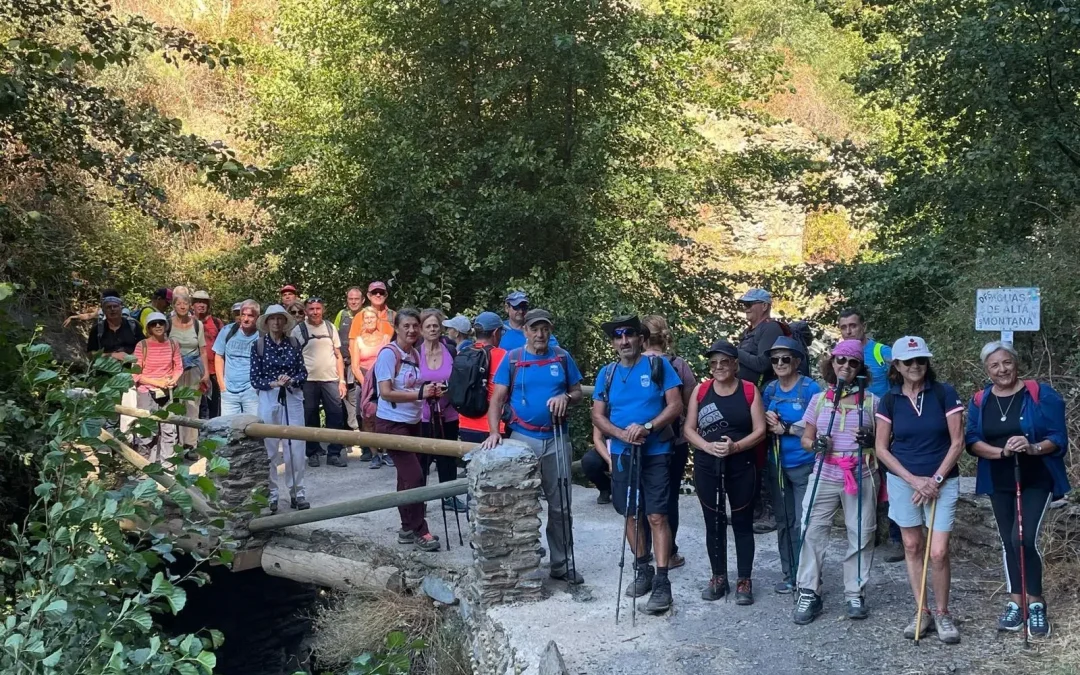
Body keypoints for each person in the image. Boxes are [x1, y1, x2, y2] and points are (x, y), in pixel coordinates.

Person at [965, 341, 1070, 638]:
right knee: (1007, 541)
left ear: (1016, 362)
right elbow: (971, 439)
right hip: (999, 479)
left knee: (1022, 539)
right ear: (987, 370)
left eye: (1006, 362)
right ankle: (1016, 602)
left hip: (1036, 478)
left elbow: (1057, 437)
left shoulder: (1040, 394)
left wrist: (1032, 446)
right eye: (995, 365)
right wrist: (1000, 453)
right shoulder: (980, 400)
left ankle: (1036, 604)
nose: (1002, 370)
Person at [483, 308, 585, 585]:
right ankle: (522, 565)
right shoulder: (513, 359)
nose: (540, 334)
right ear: (525, 331)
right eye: (535, 329)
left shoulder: (562, 357)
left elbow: (577, 392)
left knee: (561, 505)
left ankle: (562, 564)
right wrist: (494, 432)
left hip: (557, 437)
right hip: (522, 438)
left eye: (545, 329)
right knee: (519, 503)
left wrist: (566, 396)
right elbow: (497, 400)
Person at [873, 336, 964, 644]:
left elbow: (957, 442)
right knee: (912, 546)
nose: (916, 366)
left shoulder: (944, 393)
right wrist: (914, 480)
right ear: (896, 365)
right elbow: (882, 449)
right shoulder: (889, 400)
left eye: (921, 360)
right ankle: (921, 610)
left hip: (942, 482)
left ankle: (942, 612)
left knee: (938, 551)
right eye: (909, 361)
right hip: (904, 481)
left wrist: (935, 480)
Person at [590, 315, 682, 612]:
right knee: (630, 513)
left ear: (640, 339)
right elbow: (598, 414)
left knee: (657, 516)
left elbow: (675, 405)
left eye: (629, 335)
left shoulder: (658, 366)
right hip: (622, 453)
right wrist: (620, 434)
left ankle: (662, 581)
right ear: (613, 343)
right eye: (618, 337)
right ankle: (642, 568)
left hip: (655, 452)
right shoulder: (607, 373)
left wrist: (648, 427)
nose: (624, 341)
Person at [791, 340, 878, 624]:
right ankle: (808, 590)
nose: (846, 366)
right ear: (832, 362)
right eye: (841, 360)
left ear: (860, 368)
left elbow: (885, 442)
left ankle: (855, 591)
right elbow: (806, 438)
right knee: (812, 528)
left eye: (853, 363)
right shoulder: (819, 399)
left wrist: (871, 440)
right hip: (825, 470)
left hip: (860, 471)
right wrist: (816, 443)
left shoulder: (872, 401)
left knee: (862, 532)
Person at [683, 339, 767, 605]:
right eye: (714, 363)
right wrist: (708, 446)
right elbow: (688, 429)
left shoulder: (749, 390)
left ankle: (744, 579)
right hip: (708, 464)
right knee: (713, 522)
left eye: (724, 362)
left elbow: (760, 430)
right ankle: (718, 576)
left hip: (741, 464)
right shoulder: (701, 390)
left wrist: (736, 447)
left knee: (742, 522)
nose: (719, 367)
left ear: (735, 364)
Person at [838, 308, 903, 563]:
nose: (848, 331)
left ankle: (898, 538)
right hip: (854, 422)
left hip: (885, 421)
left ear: (863, 326)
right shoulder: (842, 353)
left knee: (891, 477)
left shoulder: (879, 351)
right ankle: (868, 534)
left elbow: (902, 367)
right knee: (862, 474)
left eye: (853, 326)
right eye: (843, 327)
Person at [373, 308, 441, 552]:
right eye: (407, 326)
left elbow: (416, 385)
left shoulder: (414, 353)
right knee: (415, 476)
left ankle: (406, 527)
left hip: (412, 422)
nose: (411, 330)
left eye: (415, 326)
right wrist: (420, 393)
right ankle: (420, 530)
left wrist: (430, 390)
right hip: (391, 424)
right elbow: (386, 392)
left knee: (406, 477)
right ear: (396, 327)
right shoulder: (389, 355)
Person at [761, 336, 821, 595]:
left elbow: (818, 431)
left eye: (786, 358)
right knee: (784, 522)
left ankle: (808, 577)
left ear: (797, 361)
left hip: (805, 465)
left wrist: (787, 428)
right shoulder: (770, 390)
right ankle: (790, 574)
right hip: (777, 465)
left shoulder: (810, 389)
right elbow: (761, 423)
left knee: (803, 522)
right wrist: (768, 420)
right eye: (775, 359)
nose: (780, 363)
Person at [640, 315, 696, 569]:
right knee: (668, 497)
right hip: (674, 440)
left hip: (639, 439)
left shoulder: (632, 364)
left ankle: (643, 553)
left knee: (642, 497)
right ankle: (669, 552)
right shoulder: (678, 364)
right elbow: (689, 404)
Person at [250, 304, 310, 512]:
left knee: (297, 446)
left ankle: (297, 492)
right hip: (269, 397)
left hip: (292, 396)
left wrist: (291, 380)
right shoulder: (258, 346)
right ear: (266, 322)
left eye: (280, 318)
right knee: (270, 448)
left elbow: (303, 373)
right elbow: (255, 379)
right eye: (272, 319)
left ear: (285, 322)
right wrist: (274, 383)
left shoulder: (293, 343)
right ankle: (272, 494)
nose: (276, 322)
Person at [417, 308, 466, 513]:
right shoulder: (414, 352)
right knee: (422, 460)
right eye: (428, 326)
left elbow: (458, 378)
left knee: (447, 456)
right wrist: (425, 390)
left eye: (436, 325)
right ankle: (419, 499)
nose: (432, 329)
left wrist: (448, 389)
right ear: (421, 329)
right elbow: (409, 382)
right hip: (422, 414)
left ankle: (449, 496)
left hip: (448, 413)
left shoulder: (451, 349)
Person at [292, 297, 348, 468]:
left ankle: (334, 453)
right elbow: (293, 358)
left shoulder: (330, 328)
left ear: (322, 309)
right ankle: (313, 452)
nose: (315, 312)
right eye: (311, 309)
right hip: (308, 381)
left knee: (336, 416)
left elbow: (338, 356)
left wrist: (342, 380)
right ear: (306, 311)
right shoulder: (298, 330)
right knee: (310, 417)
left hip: (330, 379)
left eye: (318, 308)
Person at [87, 293, 144, 431]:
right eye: (108, 307)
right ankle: (108, 445)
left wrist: (131, 357)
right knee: (109, 410)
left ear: (121, 307)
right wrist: (112, 355)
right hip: (105, 376)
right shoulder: (98, 330)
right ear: (104, 310)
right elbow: (91, 354)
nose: (112, 310)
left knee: (129, 411)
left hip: (129, 374)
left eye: (115, 306)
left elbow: (144, 347)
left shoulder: (133, 326)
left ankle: (127, 442)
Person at [132, 312, 183, 463]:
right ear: (148, 328)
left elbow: (178, 367)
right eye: (154, 324)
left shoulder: (173, 344)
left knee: (169, 429)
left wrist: (173, 380)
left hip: (167, 392)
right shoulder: (142, 345)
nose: (158, 326)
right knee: (148, 429)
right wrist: (157, 383)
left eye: (161, 323)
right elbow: (136, 374)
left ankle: (168, 464)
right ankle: (146, 465)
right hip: (146, 392)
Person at [455, 312, 506, 445]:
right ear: (495, 333)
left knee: (471, 465)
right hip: (495, 428)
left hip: (466, 424)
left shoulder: (462, 353)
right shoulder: (504, 356)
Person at [169, 292, 209, 456]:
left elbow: (203, 350)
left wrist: (205, 373)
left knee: (192, 406)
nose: (183, 306)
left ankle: (191, 445)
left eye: (185, 303)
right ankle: (174, 445)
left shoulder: (197, 324)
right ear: (174, 306)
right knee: (174, 406)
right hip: (172, 369)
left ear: (190, 305)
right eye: (179, 304)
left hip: (193, 368)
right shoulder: (166, 323)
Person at [351, 306, 391, 464]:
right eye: (366, 318)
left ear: (377, 319)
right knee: (367, 419)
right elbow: (355, 366)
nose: (369, 321)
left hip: (384, 383)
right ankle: (374, 454)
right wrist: (368, 384)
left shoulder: (386, 338)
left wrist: (379, 384)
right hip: (365, 383)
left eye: (371, 318)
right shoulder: (358, 340)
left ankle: (387, 451)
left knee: (385, 418)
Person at [213, 300, 261, 415]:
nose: (245, 319)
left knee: (254, 428)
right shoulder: (227, 331)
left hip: (252, 391)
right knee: (229, 429)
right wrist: (222, 386)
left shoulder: (262, 335)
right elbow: (219, 357)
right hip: (228, 391)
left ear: (257, 317)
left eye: (250, 316)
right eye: (243, 315)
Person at [334, 287, 365, 438]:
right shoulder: (342, 314)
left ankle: (357, 429)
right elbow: (334, 336)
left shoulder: (367, 315)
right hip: (342, 363)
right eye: (350, 299)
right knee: (343, 396)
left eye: (356, 299)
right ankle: (349, 429)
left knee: (355, 396)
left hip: (359, 363)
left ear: (363, 300)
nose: (353, 302)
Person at [192, 291, 223, 419]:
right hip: (192, 371)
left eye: (204, 302)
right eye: (198, 302)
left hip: (213, 372)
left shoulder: (216, 323)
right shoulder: (187, 322)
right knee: (194, 406)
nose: (201, 305)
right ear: (192, 305)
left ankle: (213, 436)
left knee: (213, 408)